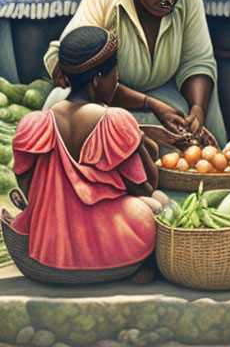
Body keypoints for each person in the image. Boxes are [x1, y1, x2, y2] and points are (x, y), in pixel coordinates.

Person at [44, 0, 224, 144]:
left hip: (161, 91)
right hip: (103, 95)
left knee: (196, 129)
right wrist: (151, 104)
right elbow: (76, 61)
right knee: (62, 98)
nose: (170, 0)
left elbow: (197, 61)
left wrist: (198, 109)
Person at [11, 27, 157, 274]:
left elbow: (25, 182)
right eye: (115, 75)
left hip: (51, 245)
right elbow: (146, 187)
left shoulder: (35, 124)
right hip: (114, 244)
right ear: (98, 78)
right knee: (158, 203)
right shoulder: (115, 121)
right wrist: (138, 142)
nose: (116, 82)